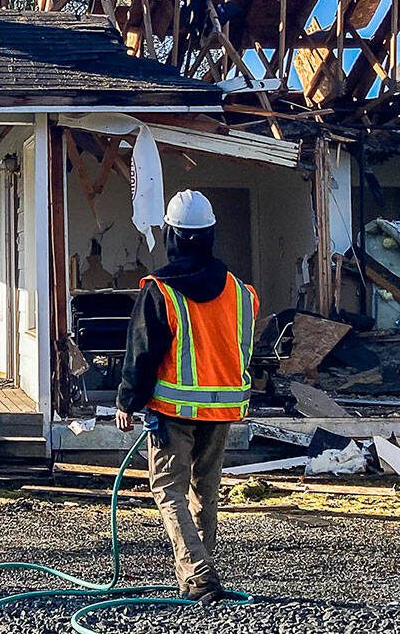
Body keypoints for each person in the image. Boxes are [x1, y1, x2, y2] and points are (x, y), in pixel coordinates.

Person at [114, 189, 258, 604]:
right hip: (223, 409)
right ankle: (199, 575)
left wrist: (128, 401)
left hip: (173, 411)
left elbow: (142, 352)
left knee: (168, 489)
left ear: (172, 235)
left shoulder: (161, 290)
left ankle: (198, 575)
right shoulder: (239, 291)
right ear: (210, 233)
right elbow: (244, 348)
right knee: (205, 491)